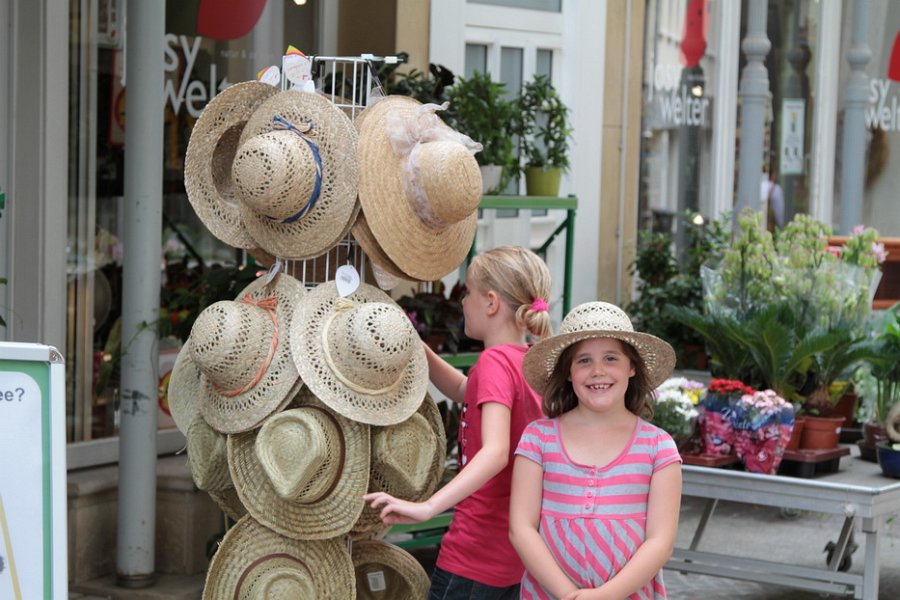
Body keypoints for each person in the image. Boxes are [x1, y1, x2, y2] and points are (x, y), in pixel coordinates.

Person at [364, 246, 553, 599]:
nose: (463, 302)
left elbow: (496, 452)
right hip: (512, 559)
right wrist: (419, 347)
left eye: (468, 292)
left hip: (474, 555)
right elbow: (466, 390)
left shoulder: (494, 363)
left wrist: (429, 507)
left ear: (491, 302)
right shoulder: (528, 362)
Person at [509, 301, 682, 600]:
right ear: (568, 372)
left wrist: (604, 596)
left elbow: (660, 542)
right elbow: (521, 528)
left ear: (632, 367)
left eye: (611, 358)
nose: (597, 371)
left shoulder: (658, 447)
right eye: (584, 361)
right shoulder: (538, 439)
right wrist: (569, 595)